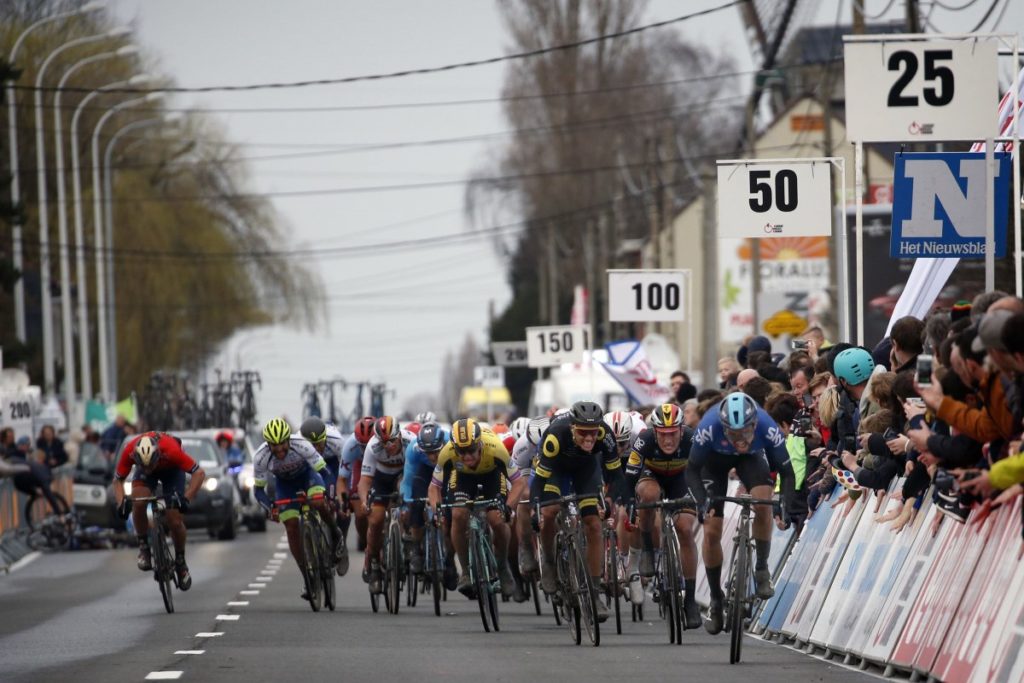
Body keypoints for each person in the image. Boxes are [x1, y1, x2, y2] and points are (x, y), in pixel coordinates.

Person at [686, 392, 794, 635]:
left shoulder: (767, 426)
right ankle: (715, 599)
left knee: (763, 502)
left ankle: (762, 569)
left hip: (751, 459)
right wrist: (702, 502)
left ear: (755, 424)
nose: (740, 440)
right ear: (723, 427)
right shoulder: (708, 428)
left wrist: (783, 504)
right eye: (733, 434)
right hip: (713, 462)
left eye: (745, 432)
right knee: (711, 528)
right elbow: (692, 470)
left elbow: (787, 473)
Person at [529, 401, 626, 623]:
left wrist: (609, 499)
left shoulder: (605, 434)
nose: (590, 438)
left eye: (593, 433)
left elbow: (616, 475)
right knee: (551, 511)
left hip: (586, 470)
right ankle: (550, 562)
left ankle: (594, 591)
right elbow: (540, 480)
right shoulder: (555, 436)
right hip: (556, 471)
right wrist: (536, 509)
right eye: (583, 433)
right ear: (573, 428)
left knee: (593, 523)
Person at [624, 403, 701, 628]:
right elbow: (630, 475)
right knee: (649, 494)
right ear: (655, 432)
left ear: (681, 430)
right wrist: (630, 503)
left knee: (685, 529)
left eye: (673, 434)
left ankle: (690, 599)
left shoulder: (691, 439)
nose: (668, 440)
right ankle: (648, 547)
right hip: (652, 476)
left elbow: (703, 472)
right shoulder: (644, 440)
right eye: (663, 434)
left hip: (681, 479)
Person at [428, 418, 522, 599]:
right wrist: (436, 509)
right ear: (454, 448)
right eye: (461, 452)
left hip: (492, 475)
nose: (467, 456)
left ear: (479, 444)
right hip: (463, 477)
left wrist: (509, 507)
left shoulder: (496, 448)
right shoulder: (447, 453)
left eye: (471, 450)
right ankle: (465, 571)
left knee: (497, 518)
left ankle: (502, 565)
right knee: (458, 514)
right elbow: (434, 487)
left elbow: (518, 482)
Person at [112, 432, 207, 590]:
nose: (148, 469)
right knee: (139, 501)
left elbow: (199, 473)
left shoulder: (172, 451)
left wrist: (186, 498)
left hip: (172, 471)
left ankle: (180, 562)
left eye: (150, 465)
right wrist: (121, 503)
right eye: (144, 465)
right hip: (145, 472)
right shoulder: (129, 451)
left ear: (158, 454)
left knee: (175, 520)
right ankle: (144, 547)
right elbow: (117, 480)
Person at [253, 417, 334, 600]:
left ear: (288, 440)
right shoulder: (260, 457)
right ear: (268, 445)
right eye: (274, 446)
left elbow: (324, 471)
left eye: (282, 444)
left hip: (307, 476)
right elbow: (258, 491)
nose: (279, 449)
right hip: (285, 485)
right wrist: (271, 507)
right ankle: (307, 576)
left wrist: (329, 493)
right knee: (290, 524)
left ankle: (334, 532)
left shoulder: (302, 444)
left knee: (318, 502)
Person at [358, 416, 415, 594]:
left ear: (399, 435)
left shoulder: (410, 441)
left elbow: (418, 474)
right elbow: (365, 481)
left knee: (409, 508)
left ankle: (409, 541)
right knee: (375, 521)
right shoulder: (372, 446)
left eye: (392, 440)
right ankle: (374, 564)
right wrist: (364, 501)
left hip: (403, 476)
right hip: (381, 480)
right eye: (384, 442)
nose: (388, 445)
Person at [299, 416, 350, 575]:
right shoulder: (297, 443)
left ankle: (339, 541)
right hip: (308, 466)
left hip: (332, 465)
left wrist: (339, 497)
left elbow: (344, 473)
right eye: (312, 445)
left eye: (320, 444)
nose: (316, 448)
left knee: (339, 503)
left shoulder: (337, 441)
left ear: (325, 438)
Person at [402, 421, 451, 582]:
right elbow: (408, 480)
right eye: (427, 452)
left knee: (451, 512)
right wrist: (407, 501)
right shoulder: (413, 449)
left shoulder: (452, 441)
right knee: (415, 504)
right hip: (424, 473)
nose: (432, 457)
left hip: (448, 470)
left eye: (436, 452)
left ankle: (450, 559)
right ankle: (416, 548)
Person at [339, 416, 376, 551]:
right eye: (362, 445)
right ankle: (367, 542)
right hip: (360, 466)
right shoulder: (350, 445)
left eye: (369, 444)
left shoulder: (385, 440)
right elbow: (342, 480)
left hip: (380, 464)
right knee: (360, 512)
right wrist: (343, 503)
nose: (367, 448)